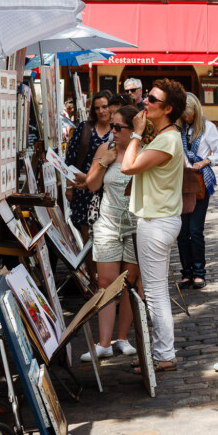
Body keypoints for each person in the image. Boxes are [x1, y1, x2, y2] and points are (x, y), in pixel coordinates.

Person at [121, 78, 186, 372]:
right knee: (156, 290)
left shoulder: (168, 139)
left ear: (168, 108)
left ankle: (163, 355)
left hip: (156, 221)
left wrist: (135, 134)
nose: (146, 101)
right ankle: (161, 352)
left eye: (152, 99)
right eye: (146, 96)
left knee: (156, 292)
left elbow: (128, 167)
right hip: (159, 219)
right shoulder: (166, 136)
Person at [80, 106, 141, 361]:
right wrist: (102, 162)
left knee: (129, 285)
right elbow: (92, 185)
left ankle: (122, 338)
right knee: (106, 284)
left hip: (135, 226)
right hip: (107, 224)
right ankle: (103, 343)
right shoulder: (105, 149)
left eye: (118, 128)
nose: (112, 131)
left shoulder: (142, 152)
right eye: (112, 126)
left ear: (132, 130)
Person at [65, 91, 111, 285]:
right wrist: (69, 186)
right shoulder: (85, 128)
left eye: (105, 106)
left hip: (106, 191)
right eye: (98, 107)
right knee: (87, 238)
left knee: (105, 237)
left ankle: (106, 278)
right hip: (83, 190)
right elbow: (70, 158)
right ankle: (94, 279)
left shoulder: (117, 130)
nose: (101, 111)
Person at [177, 92, 218, 289]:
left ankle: (199, 272)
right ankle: (186, 273)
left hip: (200, 181)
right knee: (182, 231)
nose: (186, 118)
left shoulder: (208, 127)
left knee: (195, 229)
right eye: (183, 115)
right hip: (182, 181)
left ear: (196, 111)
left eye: (189, 114)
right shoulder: (178, 129)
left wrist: (206, 161)